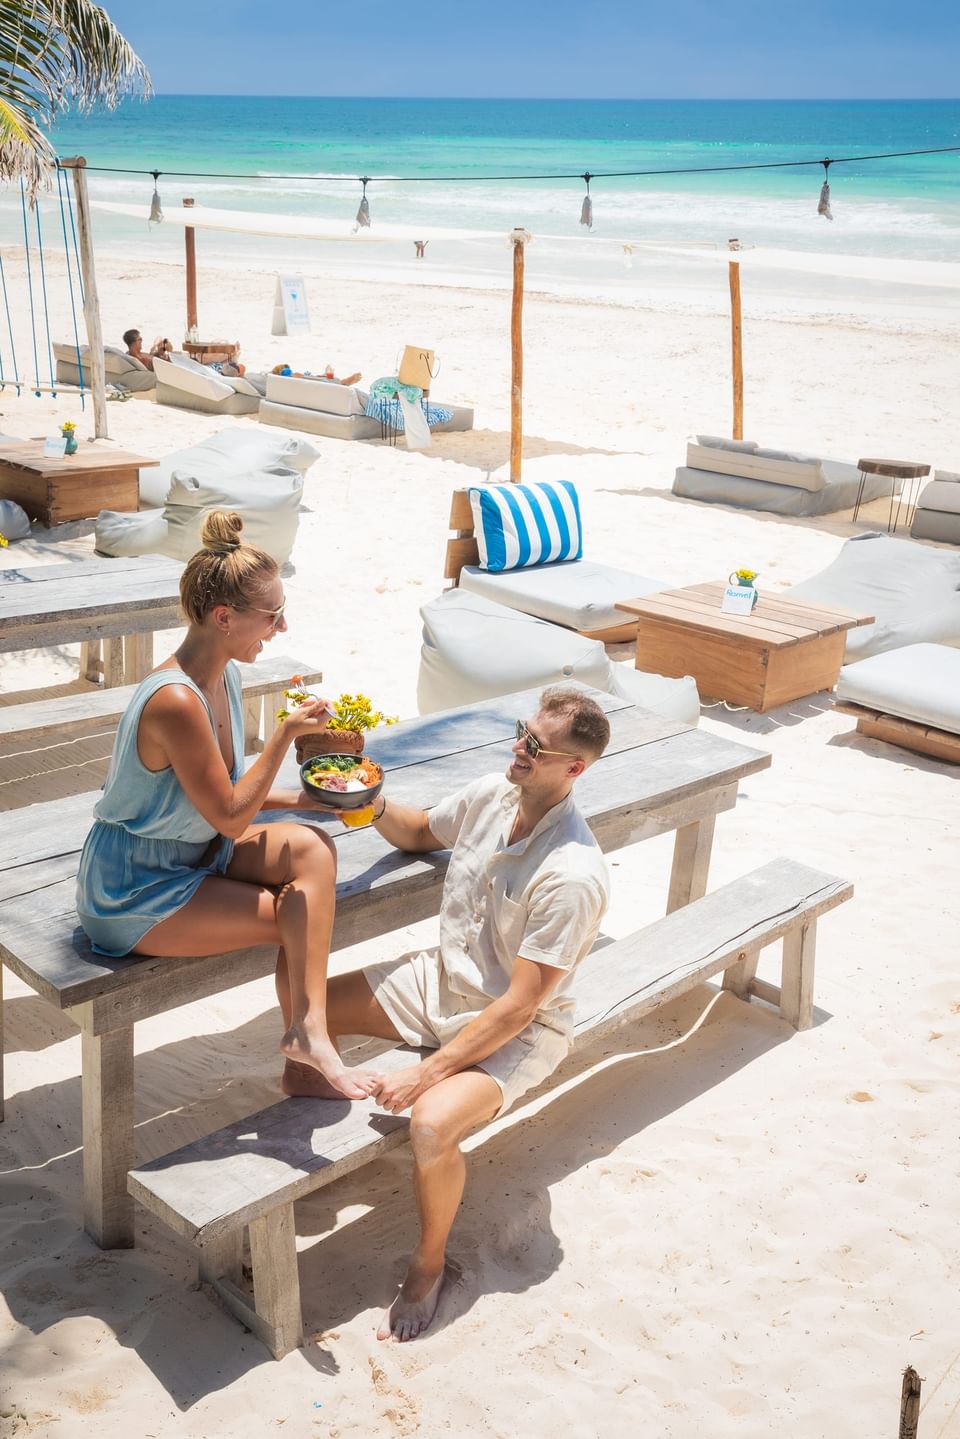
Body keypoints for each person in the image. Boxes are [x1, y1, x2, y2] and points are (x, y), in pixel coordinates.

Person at [325, 687, 611, 1340]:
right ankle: (324, 1146)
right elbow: (421, 830)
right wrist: (363, 796)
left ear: (575, 768)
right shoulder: (491, 793)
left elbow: (519, 1004)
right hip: (442, 984)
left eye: (537, 746)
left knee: (430, 1125)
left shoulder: (573, 873)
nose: (519, 748)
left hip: (518, 1029)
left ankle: (430, 1265)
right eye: (521, 731)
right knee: (306, 1004)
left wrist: (428, 1075)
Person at [75, 510, 380, 1102]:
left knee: (312, 847)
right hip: (136, 885)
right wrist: (285, 736)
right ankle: (311, 1037)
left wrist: (318, 802)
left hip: (199, 852)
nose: (282, 626)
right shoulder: (176, 701)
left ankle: (306, 1040)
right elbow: (234, 816)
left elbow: (226, 797)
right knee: (297, 917)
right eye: (272, 616)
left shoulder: (226, 677)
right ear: (224, 617)